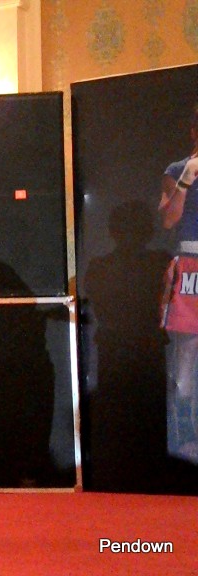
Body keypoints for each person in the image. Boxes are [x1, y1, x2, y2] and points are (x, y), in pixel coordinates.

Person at [158, 105, 198, 462]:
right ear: (194, 131)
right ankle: (186, 435)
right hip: (191, 262)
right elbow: (169, 220)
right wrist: (186, 179)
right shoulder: (176, 170)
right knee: (187, 352)